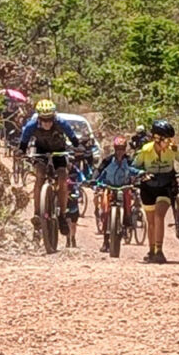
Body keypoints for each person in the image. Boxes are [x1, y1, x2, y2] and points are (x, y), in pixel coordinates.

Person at [18, 99, 80, 237]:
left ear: (54, 117)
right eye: (43, 119)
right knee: (40, 175)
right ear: (39, 118)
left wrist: (77, 146)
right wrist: (21, 151)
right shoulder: (31, 125)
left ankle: (62, 215)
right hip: (41, 152)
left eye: (50, 119)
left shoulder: (61, 123)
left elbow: (73, 137)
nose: (47, 123)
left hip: (59, 151)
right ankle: (37, 213)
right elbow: (24, 142)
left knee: (63, 177)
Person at [131, 119, 179, 264]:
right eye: (166, 139)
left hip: (166, 186)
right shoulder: (145, 150)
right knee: (151, 222)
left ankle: (159, 250)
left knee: (159, 215)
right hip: (148, 187)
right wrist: (141, 173)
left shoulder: (172, 149)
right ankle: (151, 250)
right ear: (157, 139)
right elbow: (132, 166)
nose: (169, 142)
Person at [92, 136, 137, 253]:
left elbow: (135, 170)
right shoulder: (108, 160)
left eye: (122, 149)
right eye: (118, 149)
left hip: (124, 187)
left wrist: (139, 176)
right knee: (105, 211)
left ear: (125, 149)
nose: (120, 151)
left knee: (128, 202)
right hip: (109, 187)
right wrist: (93, 179)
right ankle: (105, 241)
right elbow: (99, 170)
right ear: (115, 149)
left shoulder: (129, 160)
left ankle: (127, 221)